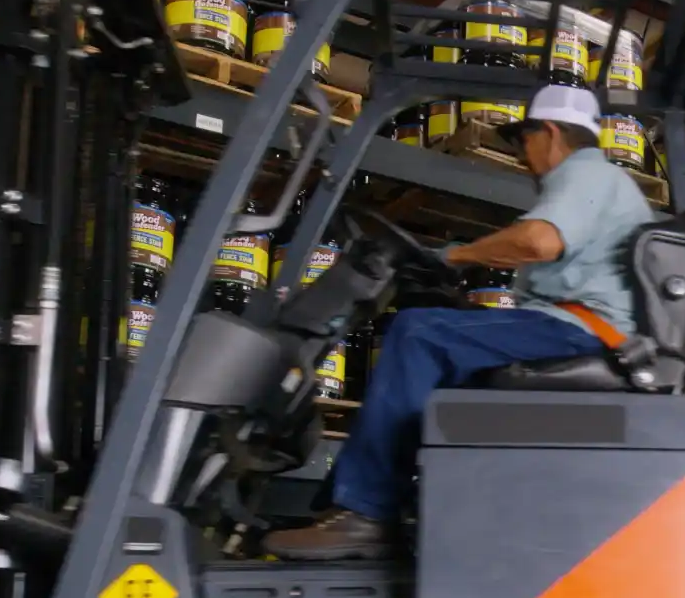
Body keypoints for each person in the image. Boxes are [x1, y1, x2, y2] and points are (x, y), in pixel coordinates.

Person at [264, 85, 657, 559]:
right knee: (438, 330)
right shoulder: (602, 182)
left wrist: (456, 255)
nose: (523, 157)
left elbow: (537, 242)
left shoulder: (587, 173)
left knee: (419, 333)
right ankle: (378, 505)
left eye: (523, 141)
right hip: (573, 326)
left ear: (550, 133)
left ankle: (366, 513)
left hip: (581, 331)